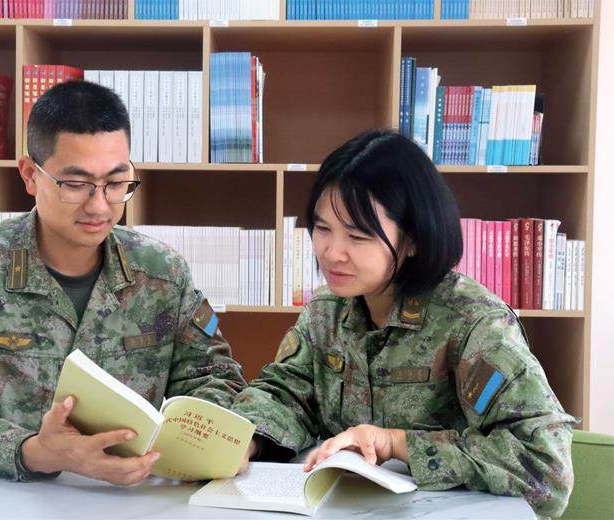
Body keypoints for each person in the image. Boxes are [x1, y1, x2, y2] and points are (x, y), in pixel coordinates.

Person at [0, 80, 245, 486]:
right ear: (30, 175)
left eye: (116, 183)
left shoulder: (162, 272)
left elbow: (214, 377)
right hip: (7, 496)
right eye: (76, 185)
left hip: (134, 498)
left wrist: (192, 442)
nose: (99, 206)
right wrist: (35, 451)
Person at [231, 130, 576, 517]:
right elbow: (285, 393)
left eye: (358, 236)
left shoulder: (472, 321)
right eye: (323, 229)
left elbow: (546, 467)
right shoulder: (327, 310)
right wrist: (243, 438)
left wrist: (396, 444)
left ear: (413, 239)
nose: (332, 253)